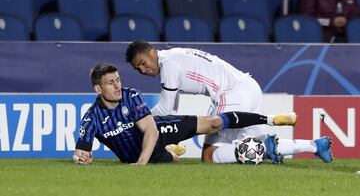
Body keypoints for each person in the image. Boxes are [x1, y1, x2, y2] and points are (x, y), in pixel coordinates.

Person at [125, 41, 333, 164]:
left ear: (152, 51)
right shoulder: (174, 57)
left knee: (209, 154)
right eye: (137, 69)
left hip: (231, 93)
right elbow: (171, 111)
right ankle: (315, 145)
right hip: (248, 87)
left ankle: (267, 148)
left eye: (143, 63)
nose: (143, 70)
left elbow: (165, 110)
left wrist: (134, 120)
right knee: (254, 139)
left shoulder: (168, 65)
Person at [73, 62, 297, 165]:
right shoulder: (91, 118)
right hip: (146, 156)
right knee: (173, 158)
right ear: (98, 89)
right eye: (111, 83)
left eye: (118, 80)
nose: (117, 86)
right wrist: (81, 158)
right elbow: (80, 152)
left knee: (214, 123)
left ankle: (271, 119)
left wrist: (140, 163)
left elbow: (150, 130)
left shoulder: (131, 96)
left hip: (158, 133)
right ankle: (171, 150)